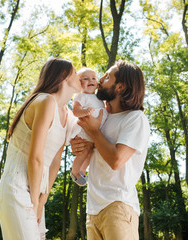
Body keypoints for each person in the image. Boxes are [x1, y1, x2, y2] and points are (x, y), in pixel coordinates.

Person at [0, 57, 81, 240]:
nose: (79, 75)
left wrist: (42, 201)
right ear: (63, 76)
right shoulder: (45, 101)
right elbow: (36, 157)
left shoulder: (66, 113)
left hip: (36, 192)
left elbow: (55, 162)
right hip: (16, 188)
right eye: (75, 72)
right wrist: (33, 202)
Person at [71, 60, 150, 240]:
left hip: (118, 206)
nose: (100, 80)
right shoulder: (102, 118)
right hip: (92, 209)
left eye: (107, 77)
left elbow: (116, 160)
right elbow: (92, 148)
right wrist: (79, 146)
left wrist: (94, 131)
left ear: (120, 87)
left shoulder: (135, 118)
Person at [69, 67, 108, 186]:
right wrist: (84, 111)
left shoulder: (99, 98)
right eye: (85, 79)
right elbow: (76, 111)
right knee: (84, 151)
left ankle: (82, 170)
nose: (90, 80)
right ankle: (75, 172)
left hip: (93, 132)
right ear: (79, 84)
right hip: (83, 132)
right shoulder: (81, 97)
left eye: (93, 78)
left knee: (90, 153)